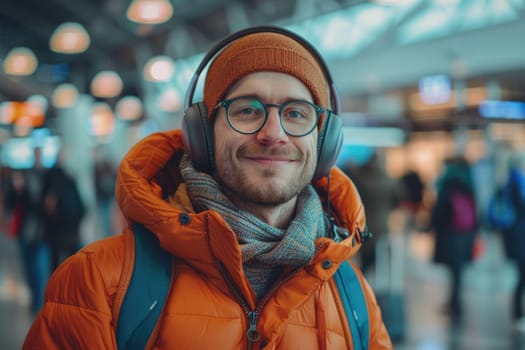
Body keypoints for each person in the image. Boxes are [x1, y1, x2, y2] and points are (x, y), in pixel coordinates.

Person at [23, 26, 392, 349]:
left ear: (324, 143)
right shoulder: (98, 282)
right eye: (246, 110)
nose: (273, 134)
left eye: (296, 113)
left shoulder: (352, 295)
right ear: (202, 135)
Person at [428, 156, 478, 318]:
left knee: (454, 271)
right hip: (465, 235)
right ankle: (455, 302)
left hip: (451, 235)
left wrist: (431, 226)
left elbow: (439, 212)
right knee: (458, 271)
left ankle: (455, 303)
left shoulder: (447, 185)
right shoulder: (469, 184)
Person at [346, 151, 403, 274]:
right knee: (377, 255)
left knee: (363, 254)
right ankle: (372, 281)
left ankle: (363, 278)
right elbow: (398, 198)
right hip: (380, 223)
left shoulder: (358, 178)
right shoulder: (387, 180)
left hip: (360, 222)